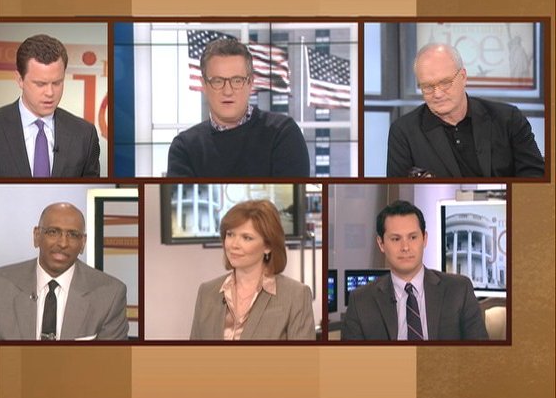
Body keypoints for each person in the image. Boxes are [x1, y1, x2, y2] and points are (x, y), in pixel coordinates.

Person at [0, 203, 127, 340]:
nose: (63, 243)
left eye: (73, 235)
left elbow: (111, 361)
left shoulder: (110, 295)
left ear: (83, 243)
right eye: (53, 232)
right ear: (37, 236)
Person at [387, 43, 544, 178]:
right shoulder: (403, 132)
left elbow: (535, 177)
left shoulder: (508, 119)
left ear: (463, 77)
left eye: (445, 83)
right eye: (427, 87)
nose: (437, 94)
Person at [0, 34, 100, 177]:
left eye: (57, 83)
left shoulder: (85, 135)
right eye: (40, 84)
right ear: (20, 79)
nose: (50, 93)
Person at [342, 200, 488, 341]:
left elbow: (480, 353)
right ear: (381, 244)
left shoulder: (459, 290)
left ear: (424, 239)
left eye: (412, 237)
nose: (405, 247)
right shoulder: (360, 301)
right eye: (396, 239)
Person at [167, 38, 310, 177]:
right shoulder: (184, 148)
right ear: (204, 85)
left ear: (250, 83)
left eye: (237, 81)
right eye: (217, 81)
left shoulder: (282, 133)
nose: (227, 91)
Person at [190, 200, 315, 340]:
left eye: (247, 238)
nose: (234, 245)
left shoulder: (296, 295)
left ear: (268, 246)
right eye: (230, 234)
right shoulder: (207, 292)